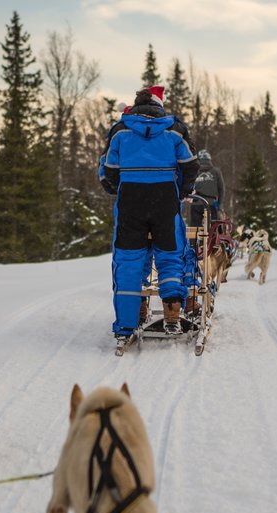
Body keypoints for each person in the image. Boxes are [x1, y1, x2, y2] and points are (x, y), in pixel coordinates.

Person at [99, 86, 199, 341]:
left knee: (128, 260)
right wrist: (183, 189)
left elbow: (108, 168)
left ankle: (125, 325)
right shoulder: (174, 129)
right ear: (159, 106)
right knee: (170, 253)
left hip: (131, 198)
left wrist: (114, 187)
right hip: (165, 197)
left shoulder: (120, 130)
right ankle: (172, 315)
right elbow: (190, 163)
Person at [185, 149, 224, 227]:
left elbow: (188, 186)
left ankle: (194, 238)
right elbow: (221, 189)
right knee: (212, 229)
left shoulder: (194, 171)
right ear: (209, 159)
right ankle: (211, 237)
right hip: (210, 204)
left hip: (196, 203)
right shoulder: (216, 172)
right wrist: (219, 204)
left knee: (195, 229)